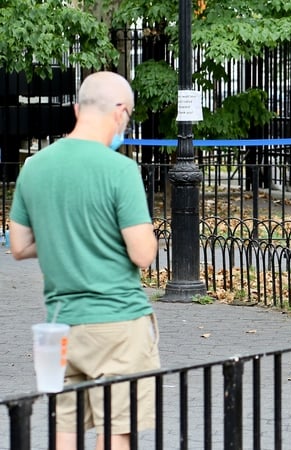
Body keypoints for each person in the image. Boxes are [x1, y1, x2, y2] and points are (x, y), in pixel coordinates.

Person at [9, 71, 160, 449]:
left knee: (67, 429)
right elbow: (143, 254)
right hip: (117, 322)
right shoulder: (120, 170)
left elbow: (20, 246)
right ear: (121, 112)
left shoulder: (35, 166)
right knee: (115, 432)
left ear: (78, 109)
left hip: (62, 324)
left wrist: (64, 234)